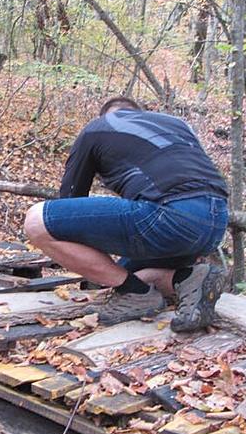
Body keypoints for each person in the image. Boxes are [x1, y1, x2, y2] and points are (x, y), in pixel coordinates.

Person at [24, 97, 229, 332]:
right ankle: (186, 278)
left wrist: (82, 255)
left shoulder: (97, 127)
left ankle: (136, 293)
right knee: (128, 273)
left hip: (169, 216)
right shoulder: (177, 125)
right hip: (215, 224)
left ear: (105, 115)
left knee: (38, 220)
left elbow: (69, 201)